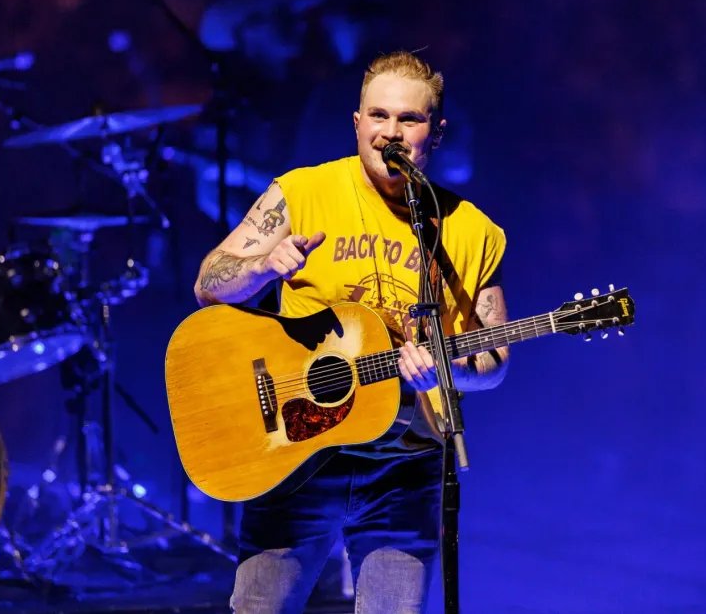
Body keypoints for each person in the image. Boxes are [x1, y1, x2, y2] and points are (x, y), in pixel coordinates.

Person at [193, 50, 510, 614]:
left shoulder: (471, 230)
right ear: (357, 122)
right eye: (379, 116)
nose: (392, 131)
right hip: (295, 456)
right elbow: (209, 284)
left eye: (409, 120)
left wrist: (448, 368)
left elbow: (494, 359)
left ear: (434, 132)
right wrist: (264, 266)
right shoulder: (301, 193)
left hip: (404, 469)